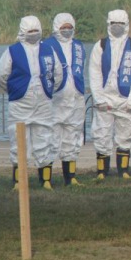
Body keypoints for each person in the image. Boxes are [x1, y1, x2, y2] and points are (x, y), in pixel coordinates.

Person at [0, 15, 60, 190]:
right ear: (23, 31)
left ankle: (45, 179)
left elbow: (58, 74)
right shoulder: (12, 51)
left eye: (36, 30)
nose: (33, 34)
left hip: (43, 101)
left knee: (45, 138)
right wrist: (15, 90)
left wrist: (48, 91)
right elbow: (2, 76)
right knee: (19, 140)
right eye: (30, 31)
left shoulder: (48, 49)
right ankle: (19, 181)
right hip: (20, 103)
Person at [88, 9, 131, 180]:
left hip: (126, 99)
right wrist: (99, 99)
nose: (117, 27)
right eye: (113, 24)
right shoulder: (100, 45)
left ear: (126, 25)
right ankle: (102, 171)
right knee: (102, 134)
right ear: (109, 24)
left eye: (121, 24)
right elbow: (94, 73)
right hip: (106, 98)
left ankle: (123, 170)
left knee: (126, 135)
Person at [43, 12, 87, 187]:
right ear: (56, 27)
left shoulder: (78, 46)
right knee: (50, 139)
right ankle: (46, 178)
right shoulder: (47, 45)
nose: (67, 30)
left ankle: (70, 177)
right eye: (63, 27)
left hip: (75, 98)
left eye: (69, 27)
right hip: (55, 100)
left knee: (72, 137)